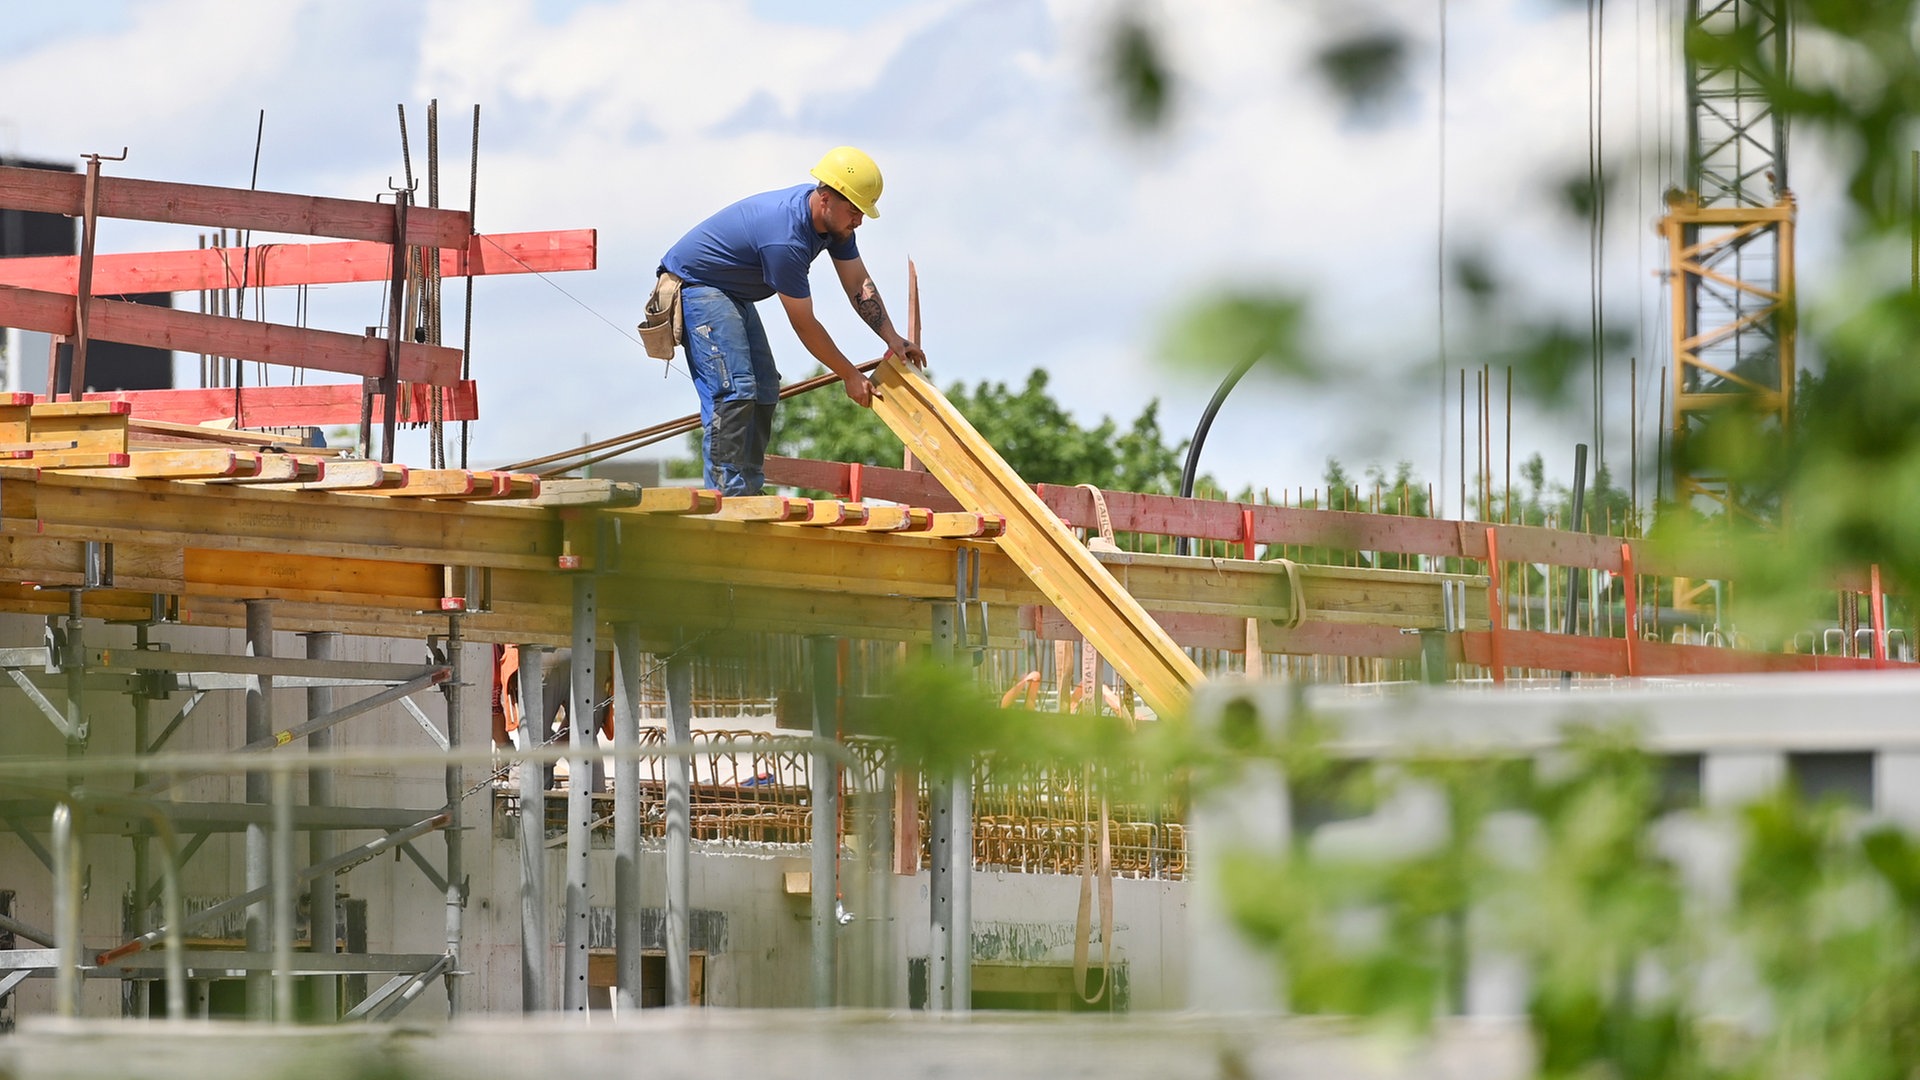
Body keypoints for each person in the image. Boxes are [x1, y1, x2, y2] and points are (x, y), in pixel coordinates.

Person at [653, 146, 926, 496]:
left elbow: (858, 284)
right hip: (698, 286)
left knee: (765, 387)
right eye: (854, 210)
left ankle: (747, 488)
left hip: (731, 292)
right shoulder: (785, 238)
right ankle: (727, 495)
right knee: (736, 388)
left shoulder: (835, 227)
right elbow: (804, 324)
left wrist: (892, 338)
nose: (858, 220)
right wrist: (850, 375)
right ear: (825, 198)